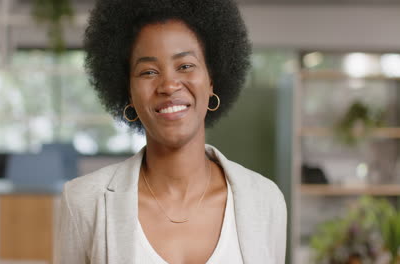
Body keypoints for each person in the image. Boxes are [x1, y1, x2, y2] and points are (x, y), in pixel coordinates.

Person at [54, 0, 287, 263]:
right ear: (127, 92)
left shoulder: (265, 200)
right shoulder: (84, 202)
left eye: (185, 66)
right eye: (148, 71)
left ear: (212, 80)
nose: (168, 85)